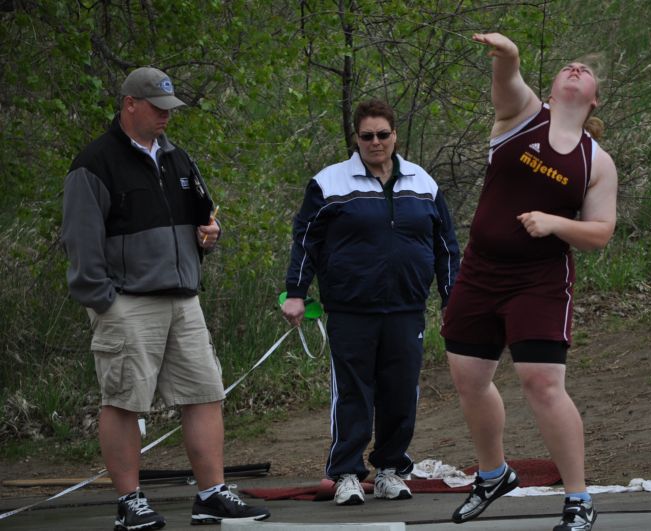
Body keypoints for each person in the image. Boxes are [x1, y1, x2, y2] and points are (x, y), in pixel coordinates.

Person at [61, 67, 270, 530]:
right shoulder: (93, 164)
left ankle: (211, 494)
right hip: (127, 302)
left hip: (184, 298)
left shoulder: (178, 158)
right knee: (124, 401)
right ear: (130, 104)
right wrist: (105, 301)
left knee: (205, 392)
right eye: (157, 109)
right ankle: (130, 502)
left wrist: (208, 239)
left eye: (170, 110)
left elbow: (203, 220)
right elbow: (80, 243)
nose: (165, 118)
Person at [441, 33, 618, 531]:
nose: (576, 68)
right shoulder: (521, 114)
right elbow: (506, 81)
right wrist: (510, 57)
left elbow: (600, 233)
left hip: (538, 280)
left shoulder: (595, 161)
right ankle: (493, 474)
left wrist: (555, 222)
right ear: (554, 83)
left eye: (586, 70)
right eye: (568, 66)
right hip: (480, 270)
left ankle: (579, 499)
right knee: (468, 378)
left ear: (595, 98)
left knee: (540, 381)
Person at [282, 99, 460, 506]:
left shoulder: (423, 183)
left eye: (383, 134)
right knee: (353, 392)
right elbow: (306, 240)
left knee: (400, 393)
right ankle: (345, 472)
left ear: (395, 135)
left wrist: (454, 299)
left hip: (406, 308)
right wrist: (296, 292)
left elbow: (447, 246)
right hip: (351, 308)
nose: (375, 142)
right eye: (367, 136)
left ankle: (392, 469)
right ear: (356, 138)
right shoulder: (330, 183)